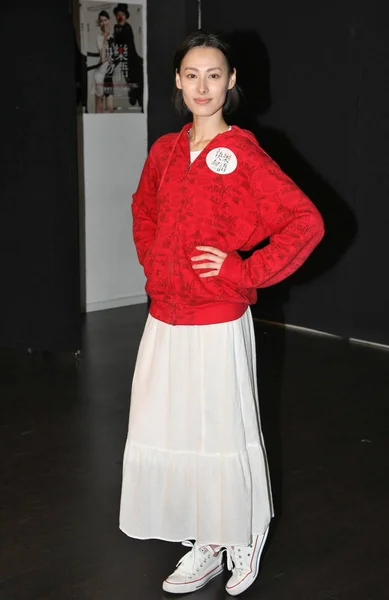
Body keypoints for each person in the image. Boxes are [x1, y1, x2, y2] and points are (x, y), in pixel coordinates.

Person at [119, 31, 325, 596]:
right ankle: (204, 540)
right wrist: (158, 266)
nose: (202, 85)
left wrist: (242, 271)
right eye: (192, 74)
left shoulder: (247, 152)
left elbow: (306, 223)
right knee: (176, 428)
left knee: (220, 433)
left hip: (216, 319)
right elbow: (143, 210)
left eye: (214, 74)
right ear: (178, 82)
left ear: (231, 82)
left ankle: (241, 533)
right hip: (165, 317)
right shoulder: (164, 150)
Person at [113, 3, 143, 110]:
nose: (120, 17)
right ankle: (134, 95)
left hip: (132, 61)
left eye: (122, 14)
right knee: (130, 81)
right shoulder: (117, 28)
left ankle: (136, 97)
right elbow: (116, 44)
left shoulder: (126, 28)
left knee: (136, 83)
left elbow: (126, 46)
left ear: (125, 16)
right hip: (124, 61)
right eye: (118, 15)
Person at [93, 11, 114, 113]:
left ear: (109, 21)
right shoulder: (99, 38)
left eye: (105, 20)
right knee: (99, 108)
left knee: (110, 108)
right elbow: (102, 58)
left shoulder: (114, 37)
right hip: (100, 75)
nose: (103, 23)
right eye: (101, 21)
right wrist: (105, 38)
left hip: (109, 75)